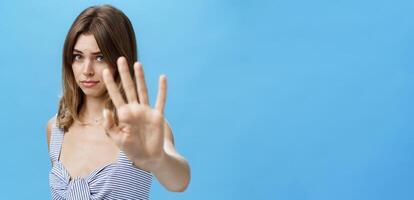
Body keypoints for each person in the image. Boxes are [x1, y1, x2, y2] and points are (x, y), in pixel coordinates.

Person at [46, 4, 191, 199]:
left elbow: (179, 181)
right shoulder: (55, 128)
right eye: (78, 57)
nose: (87, 70)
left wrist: (158, 159)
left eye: (100, 57)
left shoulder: (139, 129)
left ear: (120, 59)